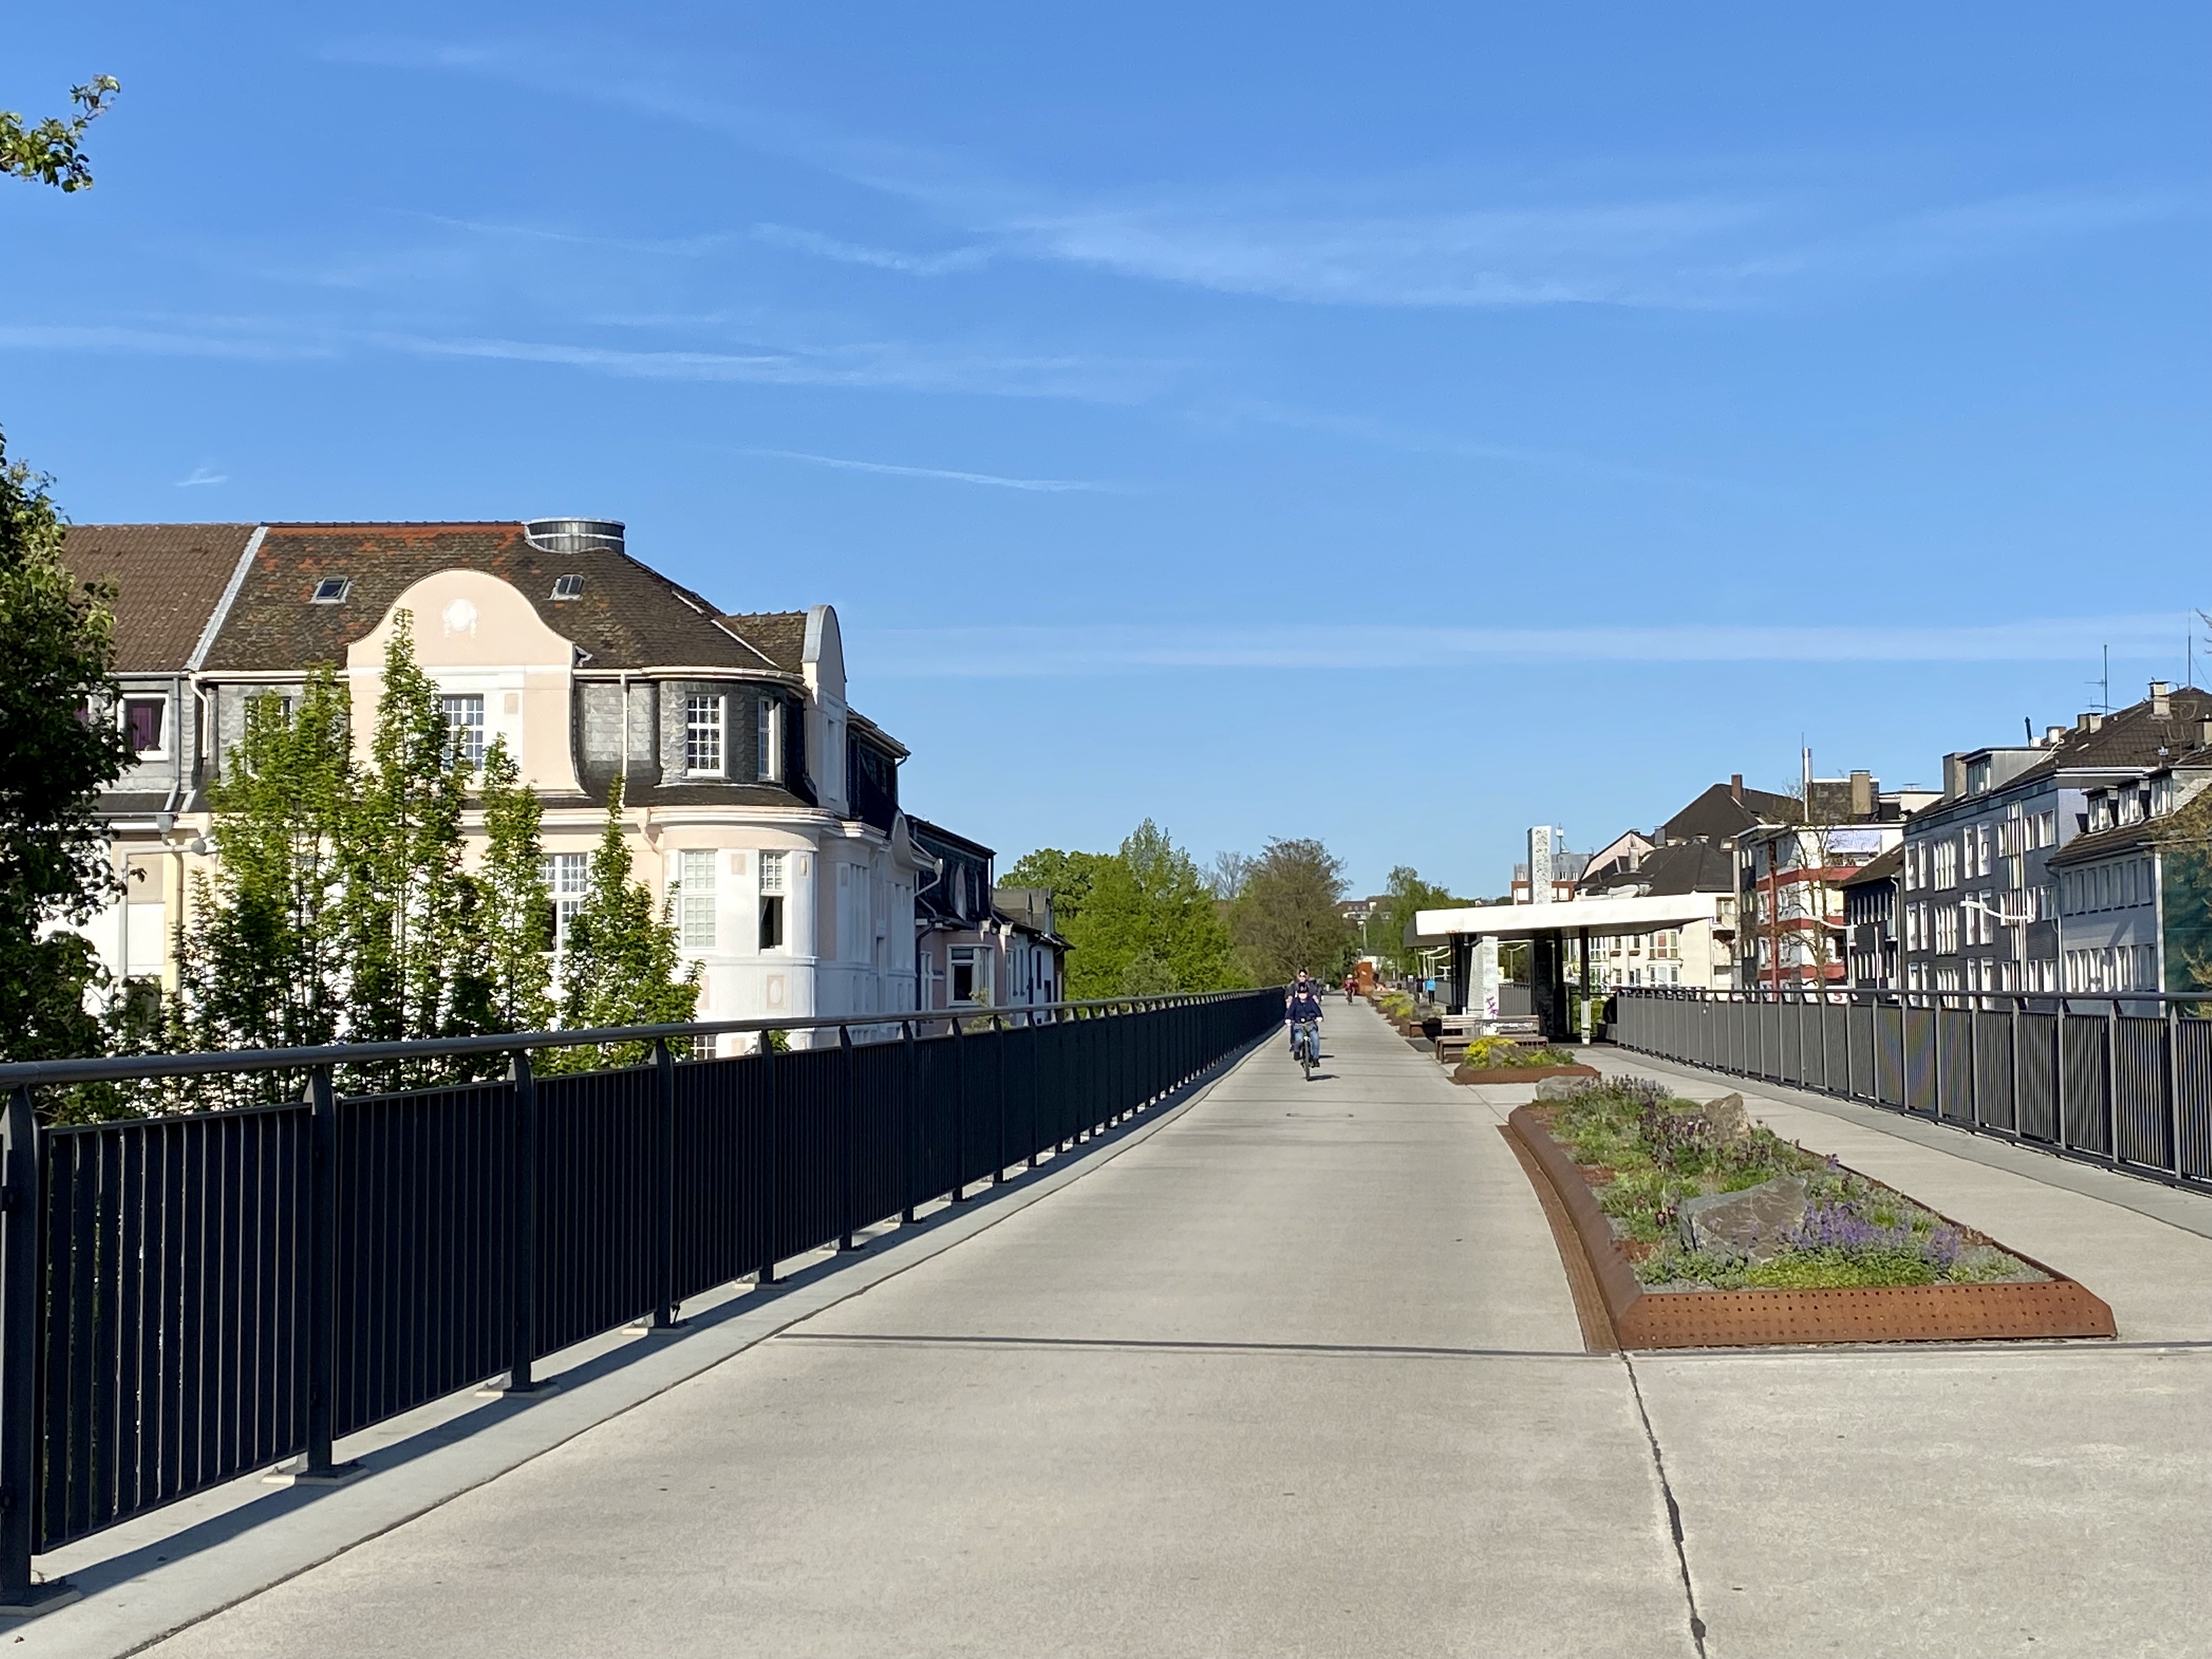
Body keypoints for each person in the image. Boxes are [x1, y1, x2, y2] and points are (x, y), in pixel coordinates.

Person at [1285, 972, 1324, 1064]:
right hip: (1299, 1024)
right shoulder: (1295, 1002)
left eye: (1305, 993)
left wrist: (1319, 1016)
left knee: (1315, 1039)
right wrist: (1288, 1019)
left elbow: (1317, 1010)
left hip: (1310, 1023)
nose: (1303, 995)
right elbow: (1290, 1011)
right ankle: (1297, 1050)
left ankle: (1315, 1058)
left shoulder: (1311, 1001)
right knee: (1298, 1039)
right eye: (1301, 993)